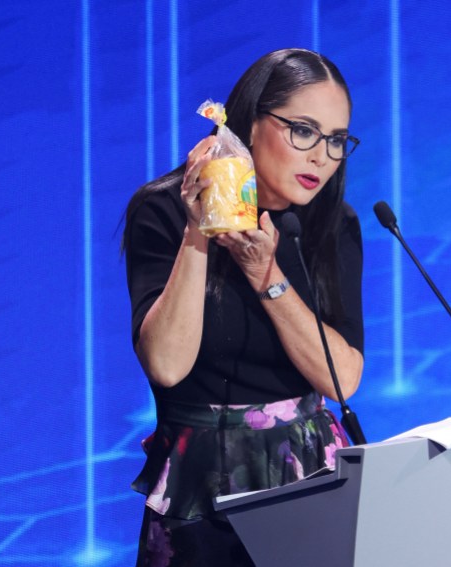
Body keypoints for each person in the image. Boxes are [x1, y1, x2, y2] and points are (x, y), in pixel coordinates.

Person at [122, 48, 364, 566]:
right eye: (303, 131)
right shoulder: (162, 211)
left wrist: (266, 276)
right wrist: (199, 228)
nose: (321, 156)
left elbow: (342, 379)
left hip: (308, 474)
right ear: (252, 122)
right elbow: (166, 365)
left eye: (337, 140)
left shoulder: (330, 224)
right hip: (198, 485)